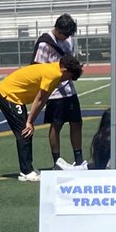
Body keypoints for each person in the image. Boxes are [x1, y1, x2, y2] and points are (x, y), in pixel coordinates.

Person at [0, 54, 83, 181]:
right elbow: (40, 99)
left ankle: (27, 168)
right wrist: (29, 121)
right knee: (24, 132)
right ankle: (26, 171)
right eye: (69, 77)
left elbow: (44, 99)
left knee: (27, 130)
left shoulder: (56, 71)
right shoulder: (54, 74)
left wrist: (31, 121)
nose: (66, 81)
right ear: (64, 70)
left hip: (17, 98)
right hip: (8, 94)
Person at [31, 14, 85, 168]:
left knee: (76, 123)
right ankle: (57, 161)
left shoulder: (69, 40)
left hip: (69, 90)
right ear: (58, 30)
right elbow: (37, 69)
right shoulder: (44, 43)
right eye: (65, 34)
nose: (67, 37)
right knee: (56, 125)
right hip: (53, 92)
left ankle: (79, 159)